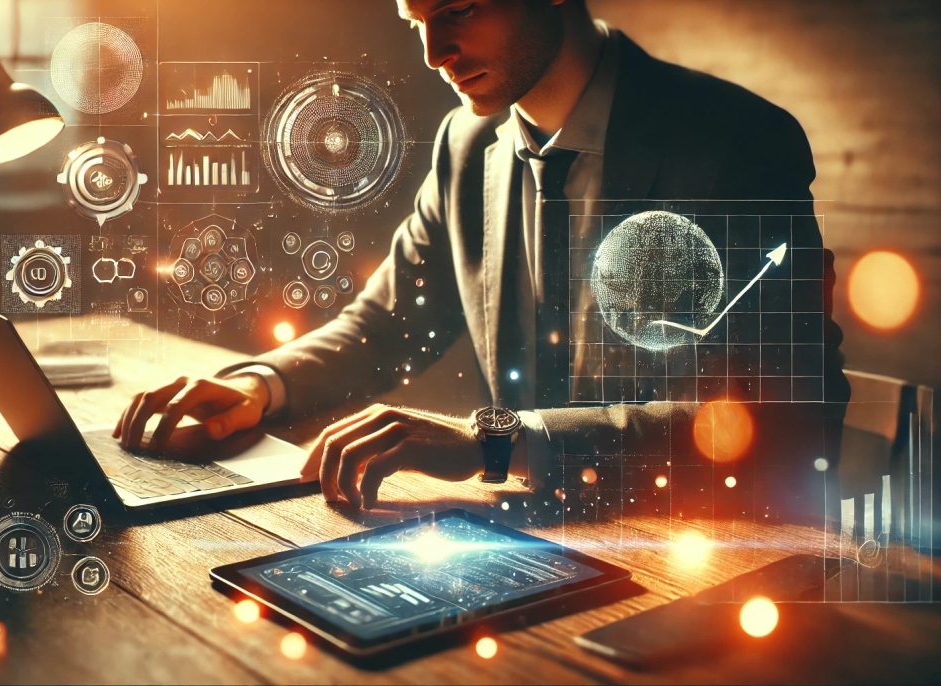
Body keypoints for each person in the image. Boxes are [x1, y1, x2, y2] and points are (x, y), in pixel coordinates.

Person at [116, 0, 848, 514]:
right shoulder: (466, 147)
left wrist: (494, 446)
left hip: (694, 556)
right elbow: (384, 324)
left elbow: (787, 422)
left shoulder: (734, 142)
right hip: (524, 540)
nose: (435, 55)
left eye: (459, 11)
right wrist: (260, 385)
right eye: (418, 22)